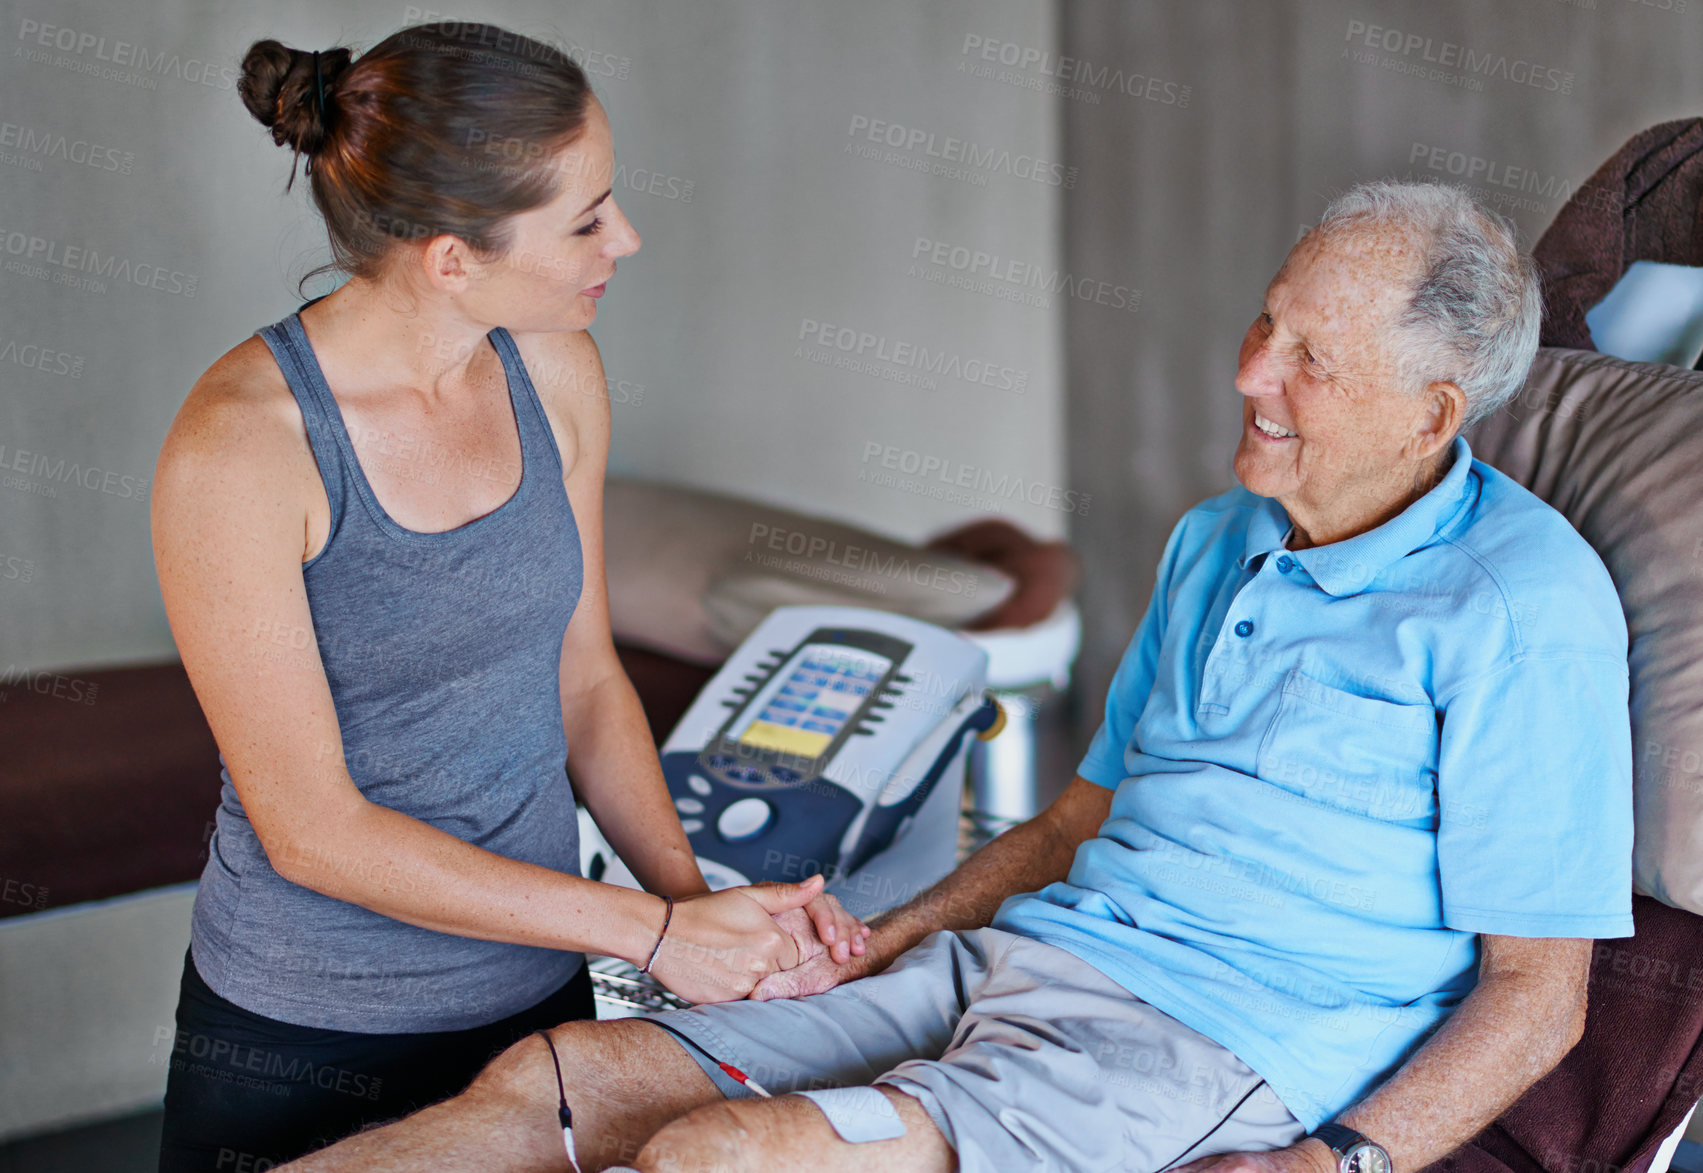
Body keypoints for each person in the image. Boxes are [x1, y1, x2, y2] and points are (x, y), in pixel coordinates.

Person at [275, 179, 1636, 1173]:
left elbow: (1539, 994)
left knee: (718, 1161)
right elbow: (1073, 821)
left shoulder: (1517, 610)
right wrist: (892, 935)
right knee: (553, 1083)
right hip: (1023, 959)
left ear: (1430, 416)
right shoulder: (1216, 537)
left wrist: (1332, 1166)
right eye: (1264, 322)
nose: (1247, 372)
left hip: (1207, 1047)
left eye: (1309, 362)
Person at [149, 22, 866, 1172]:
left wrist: (720, 930)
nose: (622, 239)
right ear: (449, 257)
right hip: (305, 1033)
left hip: (539, 1007)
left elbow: (583, 683)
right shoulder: (241, 451)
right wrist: (657, 932)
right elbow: (315, 834)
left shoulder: (551, 368)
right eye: (585, 218)